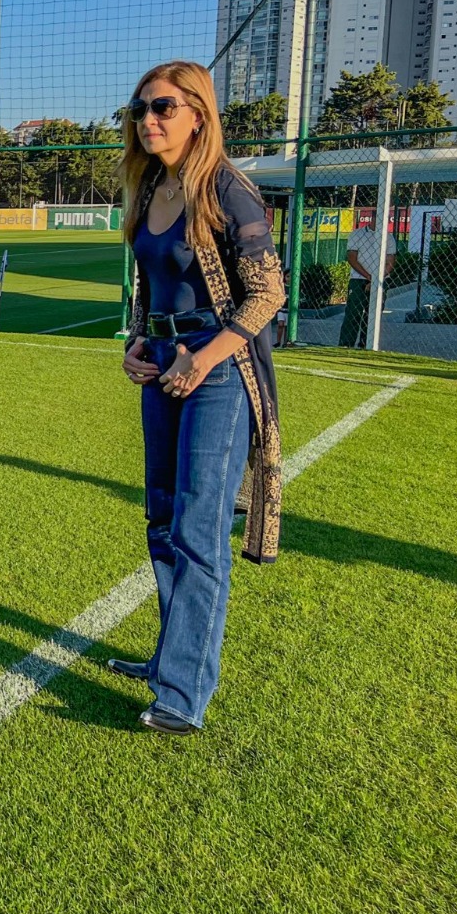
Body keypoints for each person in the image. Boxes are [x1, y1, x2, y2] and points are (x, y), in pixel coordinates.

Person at [116, 61, 286, 736]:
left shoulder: (226, 190)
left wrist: (201, 358)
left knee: (196, 529)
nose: (147, 120)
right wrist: (136, 341)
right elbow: (149, 283)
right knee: (160, 518)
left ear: (198, 113)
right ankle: (169, 661)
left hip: (216, 370)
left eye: (162, 107)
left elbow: (267, 293)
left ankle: (183, 694)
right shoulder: (150, 185)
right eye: (138, 109)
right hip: (160, 361)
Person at [338, 213, 396, 348]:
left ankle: (366, 344)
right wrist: (369, 277)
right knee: (353, 312)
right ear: (373, 218)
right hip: (358, 279)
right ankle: (346, 344)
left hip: (380, 280)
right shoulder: (357, 234)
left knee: (373, 314)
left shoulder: (388, 237)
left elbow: (390, 262)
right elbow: (352, 258)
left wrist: (377, 279)